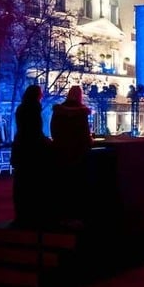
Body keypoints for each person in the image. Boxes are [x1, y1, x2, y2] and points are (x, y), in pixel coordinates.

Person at [50, 85, 93, 222]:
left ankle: (61, 214)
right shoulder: (81, 113)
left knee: (63, 185)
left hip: (61, 153)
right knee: (78, 185)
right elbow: (85, 135)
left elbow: (54, 130)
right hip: (78, 154)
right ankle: (76, 216)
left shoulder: (59, 111)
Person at [12, 84, 51, 227]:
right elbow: (34, 130)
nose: (42, 95)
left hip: (21, 151)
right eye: (40, 93)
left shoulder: (21, 108)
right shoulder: (33, 109)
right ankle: (31, 215)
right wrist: (44, 140)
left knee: (21, 184)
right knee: (31, 184)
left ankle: (22, 214)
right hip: (31, 153)